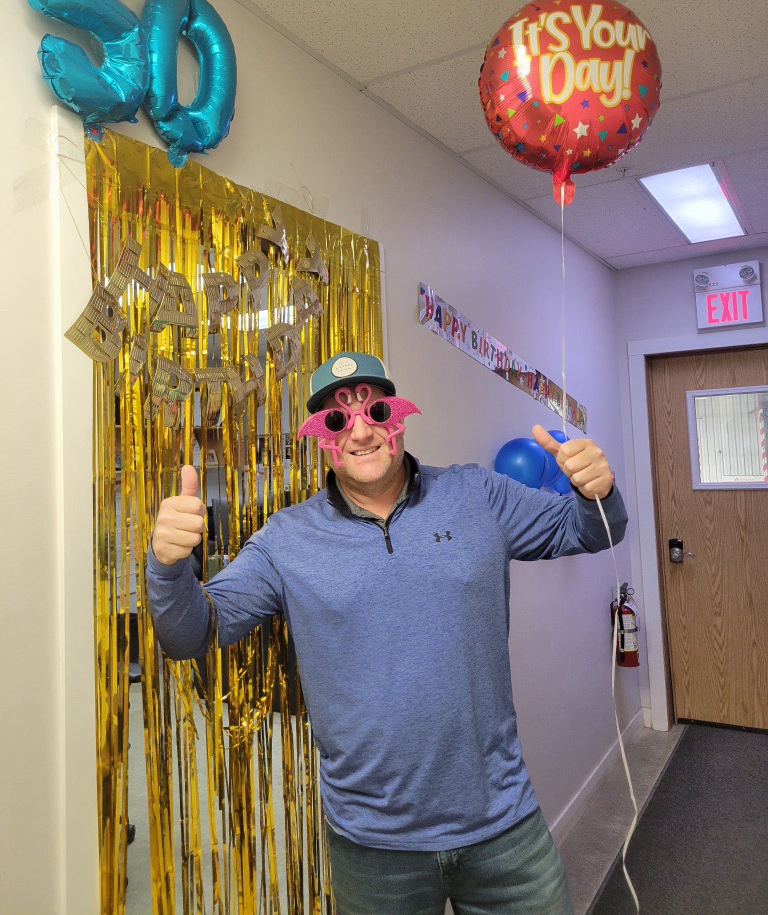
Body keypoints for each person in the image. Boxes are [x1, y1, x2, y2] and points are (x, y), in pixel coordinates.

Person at [148, 351, 628, 915]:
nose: (359, 431)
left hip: (501, 825)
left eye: (375, 410)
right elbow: (190, 635)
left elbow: (592, 531)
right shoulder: (286, 539)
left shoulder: (478, 495)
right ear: (320, 438)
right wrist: (168, 566)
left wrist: (596, 490)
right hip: (373, 847)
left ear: (397, 417)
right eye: (335, 419)